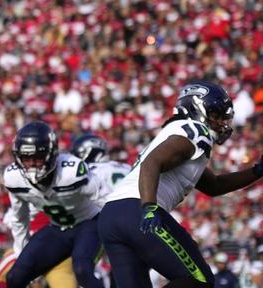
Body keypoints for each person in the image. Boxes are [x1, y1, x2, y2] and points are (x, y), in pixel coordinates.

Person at [99, 81, 263, 287]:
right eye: (216, 115)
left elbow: (215, 185)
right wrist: (149, 208)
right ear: (197, 109)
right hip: (137, 209)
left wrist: (257, 171)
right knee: (199, 279)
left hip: (111, 215)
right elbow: (152, 162)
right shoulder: (196, 130)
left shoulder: (179, 135)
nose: (221, 122)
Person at [0, 121, 109, 288]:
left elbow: (108, 200)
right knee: (15, 276)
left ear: (51, 154)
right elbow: (19, 218)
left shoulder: (70, 172)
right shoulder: (14, 178)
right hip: (58, 229)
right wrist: (21, 254)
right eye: (27, 159)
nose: (32, 164)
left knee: (82, 269)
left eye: (37, 158)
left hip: (90, 223)